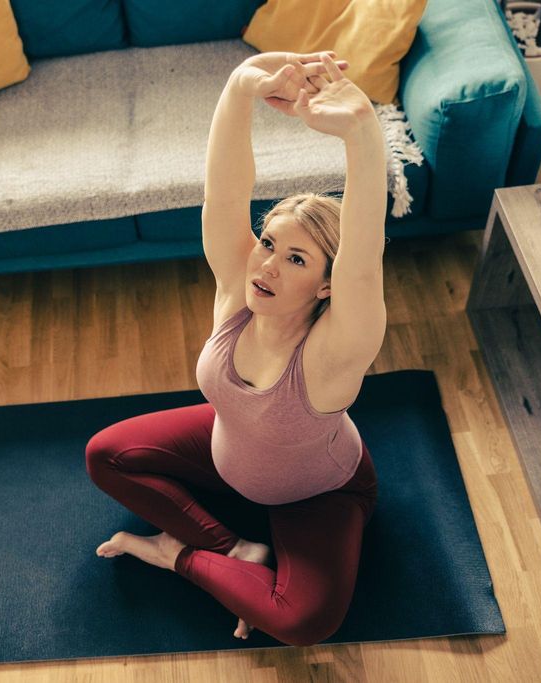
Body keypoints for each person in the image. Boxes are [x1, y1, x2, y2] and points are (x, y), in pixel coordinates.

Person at [85, 50, 386, 647]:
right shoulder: (238, 294)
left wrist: (362, 133)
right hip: (228, 451)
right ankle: (236, 550)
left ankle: (177, 557)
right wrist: (241, 85)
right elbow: (224, 193)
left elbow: (364, 256)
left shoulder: (332, 354)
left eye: (295, 259)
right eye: (268, 243)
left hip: (316, 493)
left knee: (303, 622)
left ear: (326, 284)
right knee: (105, 454)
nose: (267, 265)